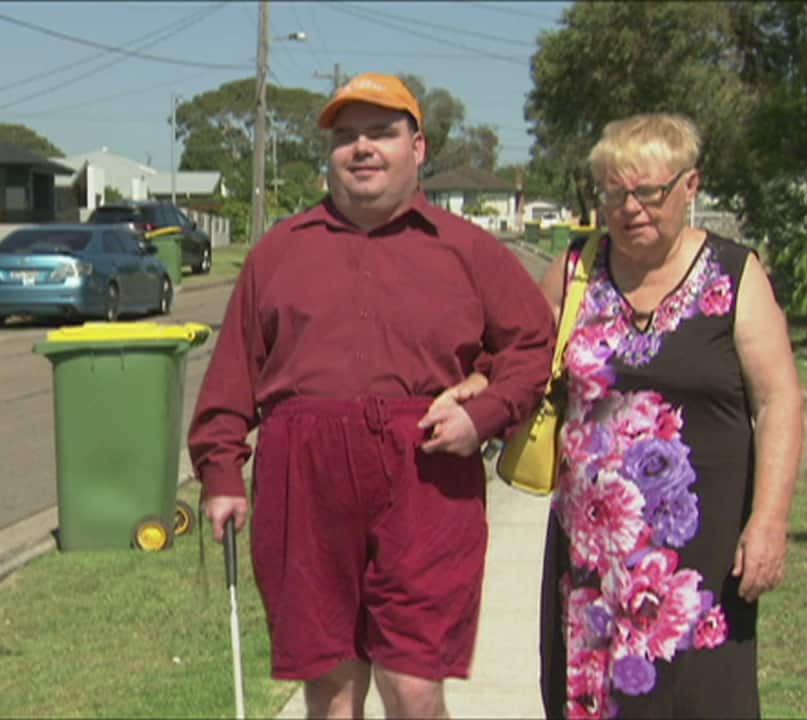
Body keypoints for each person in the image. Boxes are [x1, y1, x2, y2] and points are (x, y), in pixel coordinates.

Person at [187, 72, 555, 719]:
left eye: (381, 133)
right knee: (331, 688)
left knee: (414, 685)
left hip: (427, 476)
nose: (362, 149)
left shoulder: (467, 250)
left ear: (418, 147)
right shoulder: (278, 253)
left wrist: (485, 415)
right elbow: (232, 377)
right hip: (303, 479)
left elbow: (532, 348)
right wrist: (220, 473)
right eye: (346, 137)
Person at [451, 113, 803, 717]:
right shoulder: (575, 270)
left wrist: (769, 521)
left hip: (703, 558)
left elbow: (779, 401)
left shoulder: (734, 273)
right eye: (615, 193)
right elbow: (524, 360)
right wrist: (477, 387)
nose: (630, 207)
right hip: (591, 554)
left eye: (648, 192)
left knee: (703, 701)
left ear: (690, 186)